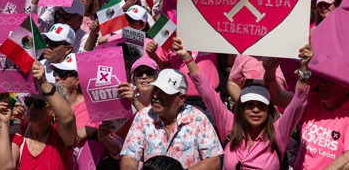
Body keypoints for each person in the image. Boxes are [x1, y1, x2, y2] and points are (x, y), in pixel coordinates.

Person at [174, 37, 310, 169]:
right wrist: (187, 58)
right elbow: (207, 93)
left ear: (268, 109)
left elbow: (298, 102)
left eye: (261, 105)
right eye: (249, 105)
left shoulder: (278, 132)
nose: (255, 110)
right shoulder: (229, 126)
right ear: (241, 108)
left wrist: (304, 67)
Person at [120, 68, 223, 169]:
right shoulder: (142, 117)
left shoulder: (198, 118)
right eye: (155, 89)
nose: (156, 95)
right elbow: (129, 158)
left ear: (182, 99)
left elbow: (213, 161)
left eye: (164, 92)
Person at [0, 61, 77, 169]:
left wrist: (43, 83)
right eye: (29, 101)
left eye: (39, 103)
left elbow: (68, 117)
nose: (32, 106)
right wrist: (4, 123)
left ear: (54, 110)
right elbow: (2, 167)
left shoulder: (60, 135)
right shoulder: (20, 132)